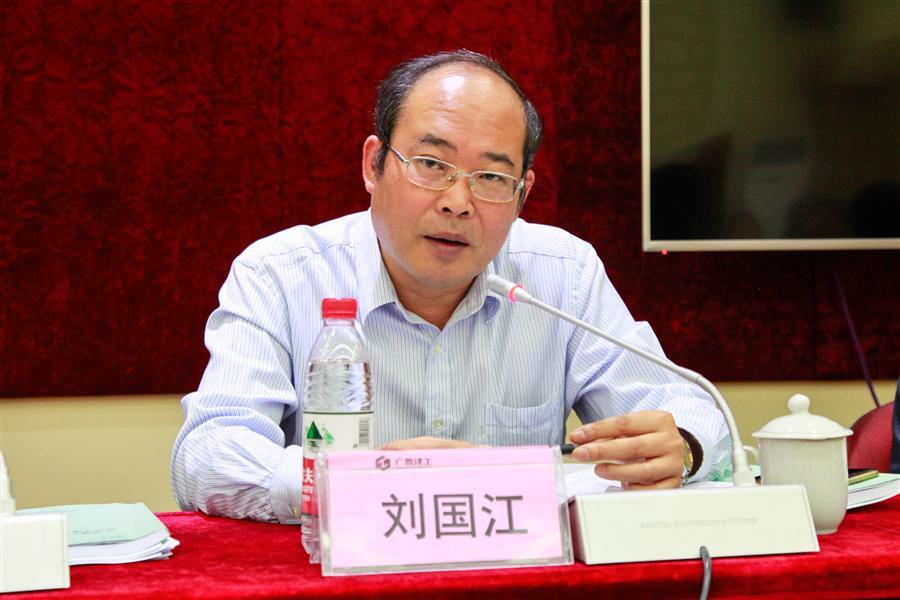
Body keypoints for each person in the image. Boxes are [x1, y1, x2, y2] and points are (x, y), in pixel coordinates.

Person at [171, 50, 731, 523]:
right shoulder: (280, 273)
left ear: (523, 193)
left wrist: (682, 448)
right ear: (373, 164)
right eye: (431, 164)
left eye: (491, 177)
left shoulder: (562, 273)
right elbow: (207, 453)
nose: (458, 202)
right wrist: (363, 483)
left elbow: (690, 410)